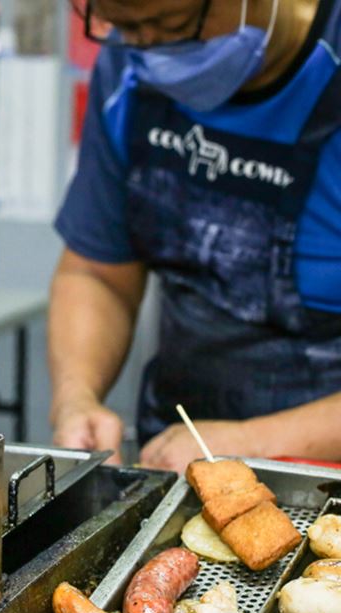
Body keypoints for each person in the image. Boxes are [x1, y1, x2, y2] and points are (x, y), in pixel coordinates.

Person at [49, 0, 341, 472]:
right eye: (125, 28)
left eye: (172, 24)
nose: (151, 50)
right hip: (173, 457)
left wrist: (253, 443)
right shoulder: (129, 68)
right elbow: (96, 273)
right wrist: (75, 397)